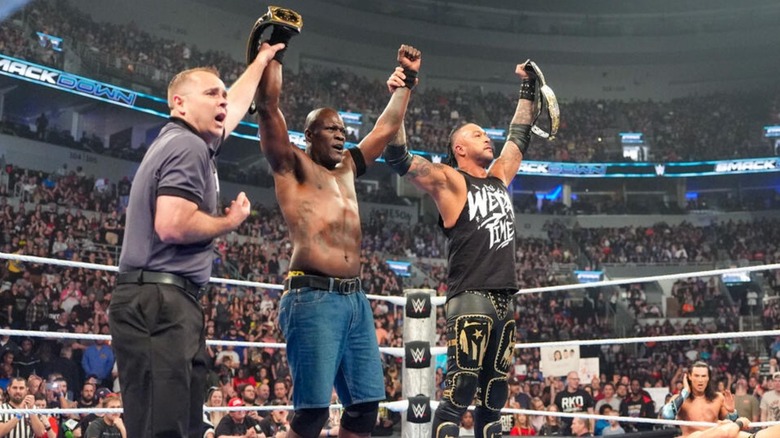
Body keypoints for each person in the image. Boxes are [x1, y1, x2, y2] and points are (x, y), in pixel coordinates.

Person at [108, 40, 285, 438]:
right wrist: (229, 220)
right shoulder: (188, 146)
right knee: (163, 428)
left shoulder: (189, 142)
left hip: (163, 301)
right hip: (160, 302)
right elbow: (171, 225)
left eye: (223, 94)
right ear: (179, 103)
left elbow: (234, 108)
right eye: (211, 94)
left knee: (177, 424)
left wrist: (260, 62)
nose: (222, 101)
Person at [254, 22, 420, 436]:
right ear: (309, 134)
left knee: (365, 409)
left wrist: (407, 82)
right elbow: (268, 108)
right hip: (312, 296)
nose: (341, 136)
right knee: (310, 415)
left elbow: (383, 130)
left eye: (344, 131)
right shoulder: (292, 165)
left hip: (355, 301)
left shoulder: (347, 168)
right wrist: (274, 51)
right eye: (332, 129)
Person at [383, 60, 536, 438]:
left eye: (486, 133)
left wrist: (530, 88)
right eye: (477, 133)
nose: (487, 137)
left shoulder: (500, 177)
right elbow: (399, 158)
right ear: (459, 147)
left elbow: (519, 135)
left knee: (494, 397)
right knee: (459, 392)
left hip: (504, 297)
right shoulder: (450, 180)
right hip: (470, 296)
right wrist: (402, 92)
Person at [660, 361, 780, 437]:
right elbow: (667, 416)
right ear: (689, 377)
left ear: (708, 378)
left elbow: (732, 425)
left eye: (703, 376)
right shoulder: (679, 399)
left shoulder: (717, 398)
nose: (700, 380)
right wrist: (685, 392)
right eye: (696, 376)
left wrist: (732, 412)